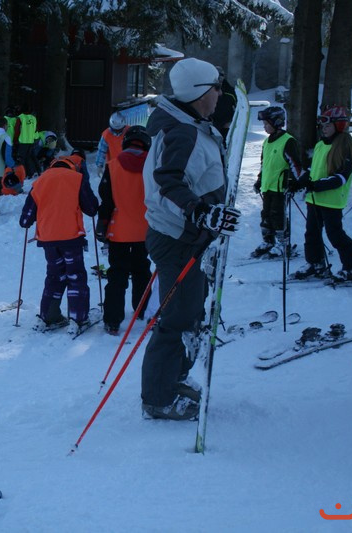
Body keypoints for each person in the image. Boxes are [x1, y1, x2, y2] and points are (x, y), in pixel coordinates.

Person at [141, 58, 241, 421]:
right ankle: (159, 399)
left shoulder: (189, 123)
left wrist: (210, 212)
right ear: (201, 93)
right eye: (216, 88)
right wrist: (201, 212)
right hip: (179, 238)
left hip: (186, 236)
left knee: (190, 313)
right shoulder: (183, 132)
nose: (219, 95)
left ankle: (174, 379)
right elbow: (169, 183)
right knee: (178, 318)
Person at [19, 151, 100, 333]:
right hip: (71, 238)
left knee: (55, 276)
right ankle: (78, 318)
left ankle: (49, 316)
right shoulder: (76, 178)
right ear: (73, 166)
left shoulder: (40, 181)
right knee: (75, 277)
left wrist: (27, 221)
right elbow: (91, 208)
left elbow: (25, 218)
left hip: (48, 240)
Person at [289, 105, 352, 281]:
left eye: (328, 125)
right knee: (311, 233)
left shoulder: (345, 147)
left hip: (331, 200)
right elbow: (312, 170)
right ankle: (315, 263)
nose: (324, 128)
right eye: (323, 125)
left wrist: (316, 185)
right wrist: (299, 183)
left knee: (335, 235)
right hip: (315, 198)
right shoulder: (321, 144)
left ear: (339, 125)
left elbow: (340, 178)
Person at [96, 126, 153, 335]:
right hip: (145, 231)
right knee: (142, 270)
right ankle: (143, 309)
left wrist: (102, 225)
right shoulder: (152, 168)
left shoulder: (112, 166)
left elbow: (106, 200)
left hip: (118, 231)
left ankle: (112, 320)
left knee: (117, 274)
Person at [251, 106, 300, 259]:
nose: (264, 127)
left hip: (280, 187)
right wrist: (259, 180)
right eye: (264, 124)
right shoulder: (267, 142)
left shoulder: (288, 141)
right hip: (268, 186)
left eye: (267, 124)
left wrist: (293, 182)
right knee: (266, 215)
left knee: (277, 215)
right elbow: (264, 164)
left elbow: (295, 165)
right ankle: (268, 241)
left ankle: (283, 244)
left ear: (277, 122)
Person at [94, 112, 128, 178]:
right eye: (115, 130)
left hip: (127, 166)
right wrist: (99, 166)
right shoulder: (106, 135)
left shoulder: (129, 131)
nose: (117, 133)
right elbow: (101, 151)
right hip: (113, 167)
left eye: (120, 130)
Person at [210, 68, 237, 142]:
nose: (219, 78)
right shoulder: (208, 89)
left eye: (221, 76)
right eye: (217, 76)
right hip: (212, 123)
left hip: (226, 124)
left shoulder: (230, 91)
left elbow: (237, 106)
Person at [14, 104, 41, 177]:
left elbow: (17, 130)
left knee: (21, 158)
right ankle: (37, 171)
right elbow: (36, 130)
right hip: (31, 141)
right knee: (31, 157)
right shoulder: (33, 118)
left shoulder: (20, 118)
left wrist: (15, 140)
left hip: (23, 141)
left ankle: (24, 174)